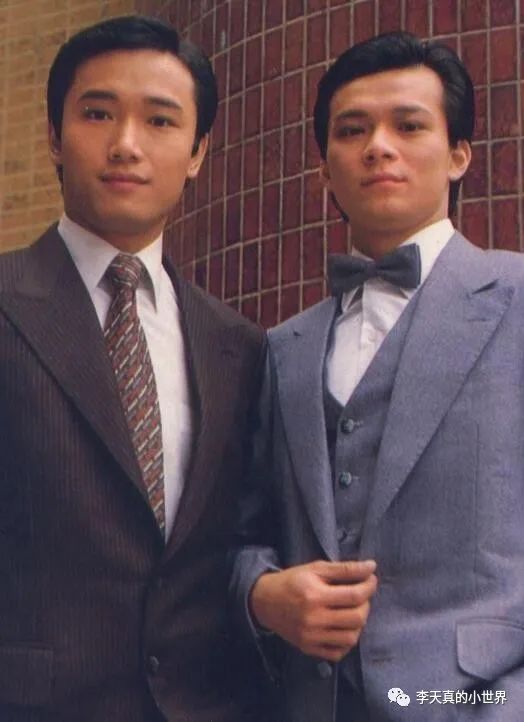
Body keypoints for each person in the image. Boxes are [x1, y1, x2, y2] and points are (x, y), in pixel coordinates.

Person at [231, 31, 524, 722]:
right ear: (324, 172)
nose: (378, 147)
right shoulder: (281, 347)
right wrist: (262, 594)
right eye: (352, 130)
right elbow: (240, 530)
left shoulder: (516, 299)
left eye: (409, 125)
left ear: (459, 155)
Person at [0, 15, 266, 722]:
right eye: (97, 114)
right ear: (54, 136)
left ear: (198, 152)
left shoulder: (238, 346)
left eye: (160, 120)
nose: (126, 144)